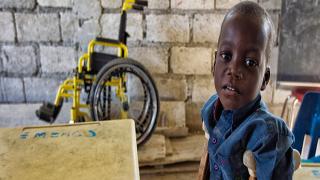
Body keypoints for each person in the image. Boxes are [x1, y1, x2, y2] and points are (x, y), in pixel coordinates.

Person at [201, 1, 295, 179]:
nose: (234, 70)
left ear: (264, 79)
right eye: (226, 56)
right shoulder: (211, 108)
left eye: (250, 62)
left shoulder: (268, 135)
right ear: (214, 64)